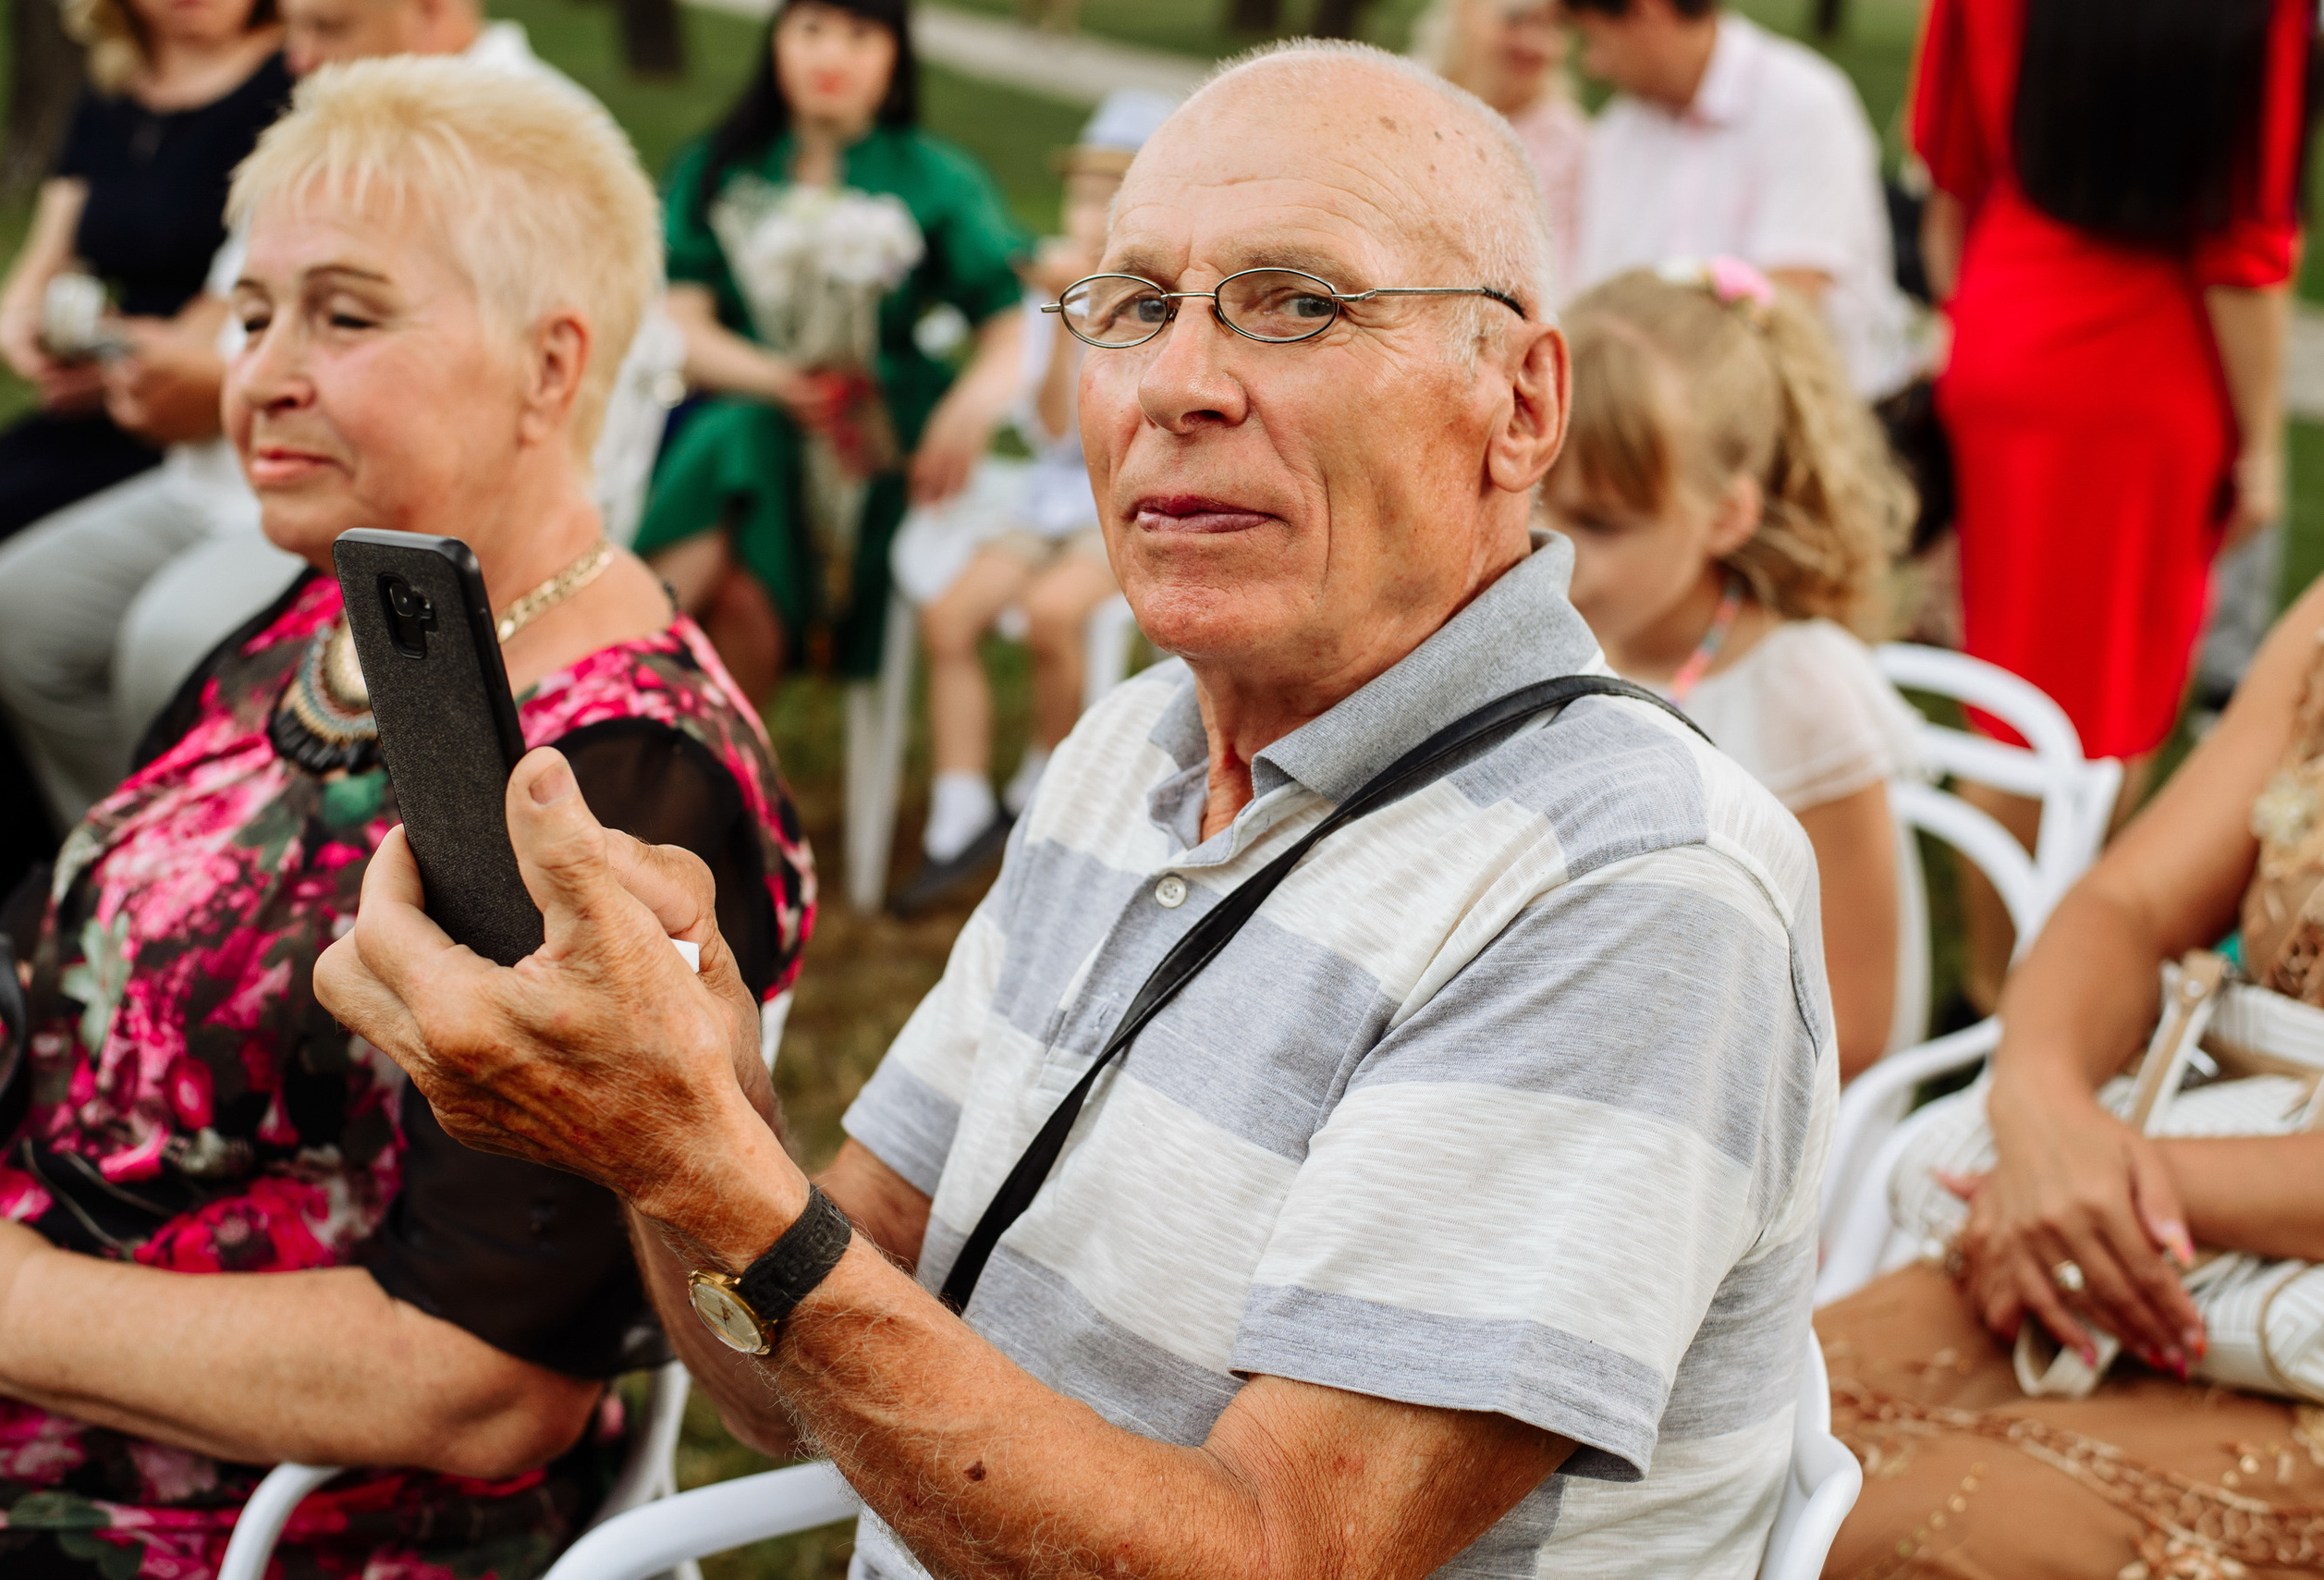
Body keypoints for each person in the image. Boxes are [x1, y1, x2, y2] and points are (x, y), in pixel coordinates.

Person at [321, 40, 1837, 1579]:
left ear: (1520, 403)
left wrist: (698, 1161)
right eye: (1131, 308)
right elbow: (781, 1372)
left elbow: (1272, 1556)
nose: (1178, 383)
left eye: (1299, 302)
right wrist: (694, 1097)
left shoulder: (1637, 883)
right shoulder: (1136, 749)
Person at [0, 58, 813, 1579]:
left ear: (554, 368)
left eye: (345, 315)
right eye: (251, 314)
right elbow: (67, 932)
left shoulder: (603, 771)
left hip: (237, 1510)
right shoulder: (350, 616)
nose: (264, 373)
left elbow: (482, 1379)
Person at [0, 0, 685, 834]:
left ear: (432, 11)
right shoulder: (328, 130)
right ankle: (139, 845)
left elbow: (586, 438)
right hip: (223, 480)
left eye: (328, 29)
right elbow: (226, 327)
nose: (296, 57)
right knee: (16, 604)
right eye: (292, 27)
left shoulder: (531, 150)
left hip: (396, 521)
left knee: (172, 637)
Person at [1814, 571, 2324, 1579]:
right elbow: (2127, 905)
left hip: (2194, 1255)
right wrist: (2042, 1105)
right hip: (2106, 1229)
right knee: (1721, 1443)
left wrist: (2091, 1186)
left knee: (1911, 1540)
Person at [1911, 0, 2307, 1002]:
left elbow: (1950, 183)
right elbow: (2239, 248)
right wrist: (2260, 442)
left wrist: (1982, 335)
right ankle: (2025, 997)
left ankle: (2007, 980)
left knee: (2014, 706)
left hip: (2008, 332)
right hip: (2144, 374)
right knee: (2102, 722)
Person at [0, 0, 288, 937]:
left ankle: (106, 864)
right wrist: (25, 334)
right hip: (96, 394)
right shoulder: (110, 92)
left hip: (184, 403)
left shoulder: (286, 80)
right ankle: (24, 859)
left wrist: (133, 359)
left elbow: (236, 307)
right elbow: (39, 265)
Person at [1547, 259, 1917, 1079]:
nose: (1558, 552)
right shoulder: (1551, 642)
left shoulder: (1802, 698)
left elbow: (1856, 1021)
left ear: (1728, 514)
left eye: (1603, 524)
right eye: (1537, 501)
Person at [636, 0, 1030, 703]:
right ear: (777, 41)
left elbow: (1010, 321)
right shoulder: (723, 165)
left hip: (874, 444)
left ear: (894, 56)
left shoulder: (934, 176)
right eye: (811, 29)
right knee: (739, 583)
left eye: (859, 34)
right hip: (755, 419)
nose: (831, 57)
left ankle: (624, 650)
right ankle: (713, 770)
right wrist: (780, 380)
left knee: (735, 438)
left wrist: (968, 407)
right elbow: (682, 322)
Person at [887, 89, 1176, 916]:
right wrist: (1067, 316)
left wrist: (1108, 309)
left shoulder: (1163, 309)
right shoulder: (1060, 295)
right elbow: (1056, 427)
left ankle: (1050, 781)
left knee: (1053, 615)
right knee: (951, 616)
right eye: (1084, 194)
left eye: (1111, 198)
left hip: (1123, 497)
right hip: (1055, 494)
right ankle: (960, 804)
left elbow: (1119, 434)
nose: (1090, 212)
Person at [1561, 0, 1914, 405]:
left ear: (1648, 13)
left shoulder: (1801, 106)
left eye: (1595, 40)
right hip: (1655, 419)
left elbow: (1787, 307)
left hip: (1799, 417)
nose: (1594, 66)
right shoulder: (1617, 135)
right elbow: (1599, 302)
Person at [1413, 0, 1586, 281]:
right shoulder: (1401, 104)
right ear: (1464, 12)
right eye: (1516, 20)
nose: (1535, 43)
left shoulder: (1568, 149)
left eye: (1553, 26)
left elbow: (1555, 278)